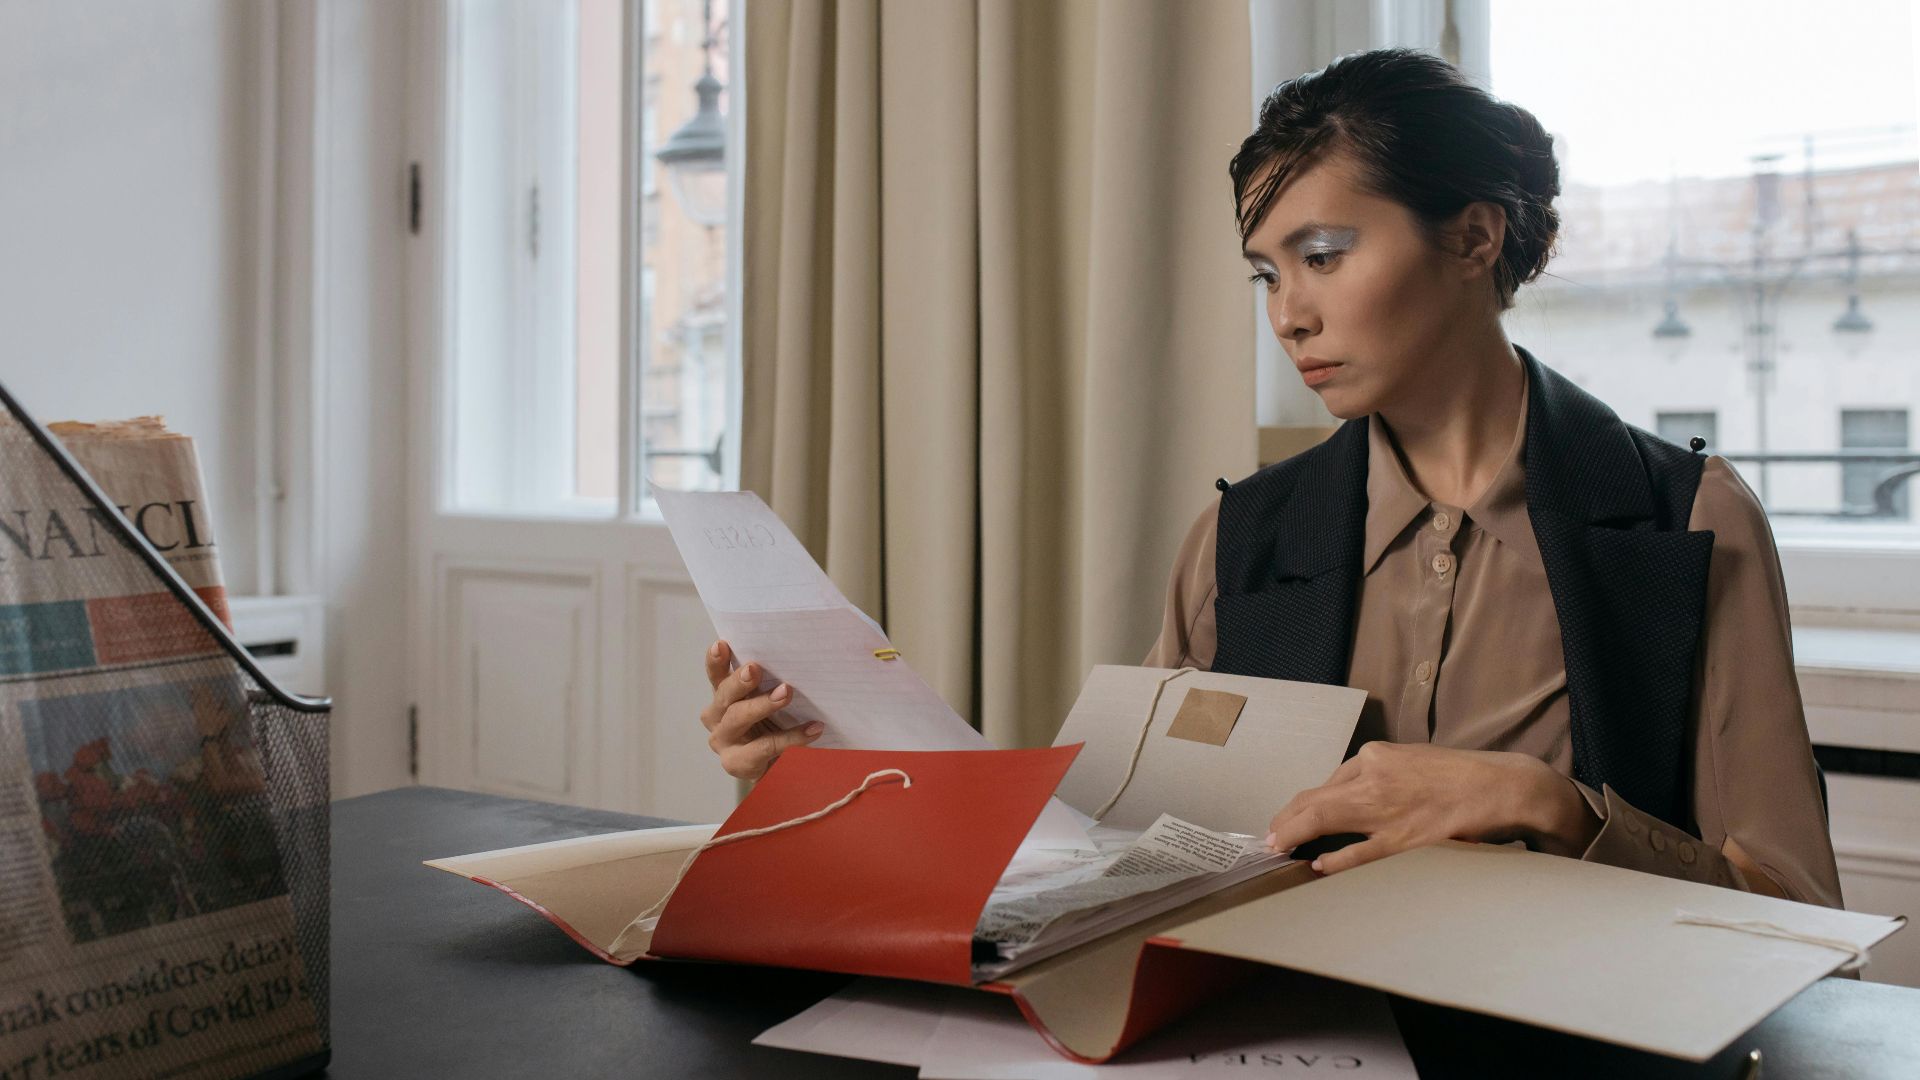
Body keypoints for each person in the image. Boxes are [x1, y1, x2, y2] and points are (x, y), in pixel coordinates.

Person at [697, 46, 1842, 908]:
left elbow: (1792, 909)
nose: (1289, 313)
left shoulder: (1685, 524)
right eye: (1266, 274)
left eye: (1324, 256)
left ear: (1473, 238)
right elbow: (1104, 854)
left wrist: (1551, 808)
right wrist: (838, 772)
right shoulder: (1239, 540)